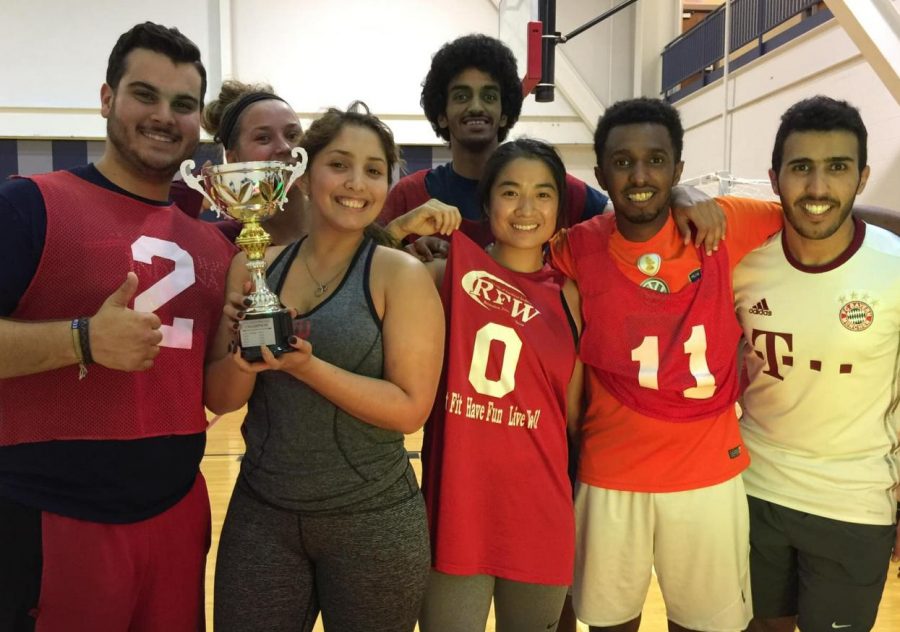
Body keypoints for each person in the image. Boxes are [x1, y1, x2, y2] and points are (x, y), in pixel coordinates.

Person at [0, 22, 235, 632]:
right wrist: (80, 339)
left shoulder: (217, 243)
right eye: (145, 95)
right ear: (107, 98)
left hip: (178, 514)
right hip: (50, 515)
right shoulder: (28, 204)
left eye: (183, 105)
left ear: (200, 121)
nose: (164, 116)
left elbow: (211, 387)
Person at [204, 102, 444, 632]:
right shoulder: (252, 264)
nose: (356, 182)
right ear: (304, 173)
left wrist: (307, 367)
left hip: (373, 520)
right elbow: (221, 399)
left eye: (374, 170)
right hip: (263, 515)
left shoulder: (400, 275)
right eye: (339, 164)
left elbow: (410, 410)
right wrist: (248, 354)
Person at [550, 97, 786, 632]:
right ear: (600, 172)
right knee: (610, 623)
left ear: (679, 168)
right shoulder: (578, 247)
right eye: (623, 160)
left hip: (707, 472)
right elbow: (505, 259)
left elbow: (818, 217)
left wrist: (688, 196)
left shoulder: (724, 224)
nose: (640, 175)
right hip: (610, 471)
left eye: (657, 161)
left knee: (705, 625)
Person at [733, 96, 900, 632]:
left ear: (863, 176)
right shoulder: (743, 265)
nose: (818, 188)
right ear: (775, 178)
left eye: (838, 168)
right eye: (801, 168)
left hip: (853, 502)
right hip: (754, 488)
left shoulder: (894, 269)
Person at [418, 138, 584, 632]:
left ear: (559, 205)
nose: (527, 209)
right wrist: (402, 227)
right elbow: (354, 269)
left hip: (540, 514)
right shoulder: (443, 273)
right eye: (510, 192)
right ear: (487, 202)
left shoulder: (571, 295)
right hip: (457, 514)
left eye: (544, 194)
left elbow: (571, 419)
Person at [378, 34, 609, 259]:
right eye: (461, 97)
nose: (476, 106)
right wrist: (400, 239)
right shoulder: (409, 194)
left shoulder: (552, 186)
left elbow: (623, 222)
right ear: (441, 115)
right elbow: (358, 266)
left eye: (489, 97)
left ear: (505, 114)